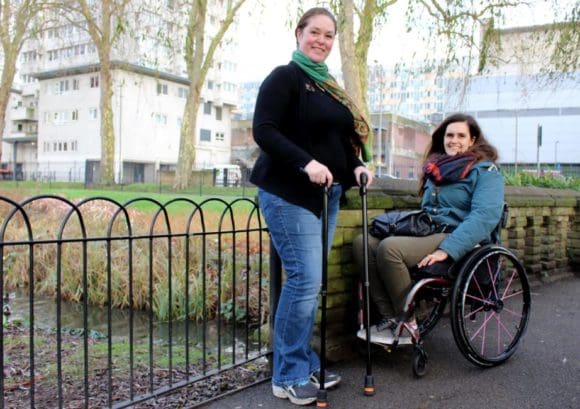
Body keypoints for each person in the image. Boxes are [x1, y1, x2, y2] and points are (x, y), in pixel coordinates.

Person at [250, 7, 374, 406]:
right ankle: (286, 376)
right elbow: (263, 130)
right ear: (298, 34)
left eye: (328, 35)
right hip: (289, 193)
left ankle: (302, 361)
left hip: (328, 194)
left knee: (311, 283)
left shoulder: (328, 87)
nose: (321, 40)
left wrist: (356, 167)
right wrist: (306, 162)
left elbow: (338, 144)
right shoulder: (285, 78)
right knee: (304, 281)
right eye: (314, 32)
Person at [353, 113, 504, 344]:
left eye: (461, 135)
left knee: (390, 249)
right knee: (364, 242)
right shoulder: (437, 167)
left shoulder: (485, 171)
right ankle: (392, 317)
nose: (454, 140)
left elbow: (485, 216)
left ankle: (408, 321)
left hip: (457, 236)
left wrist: (448, 249)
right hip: (429, 229)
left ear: (472, 140)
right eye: (449, 135)